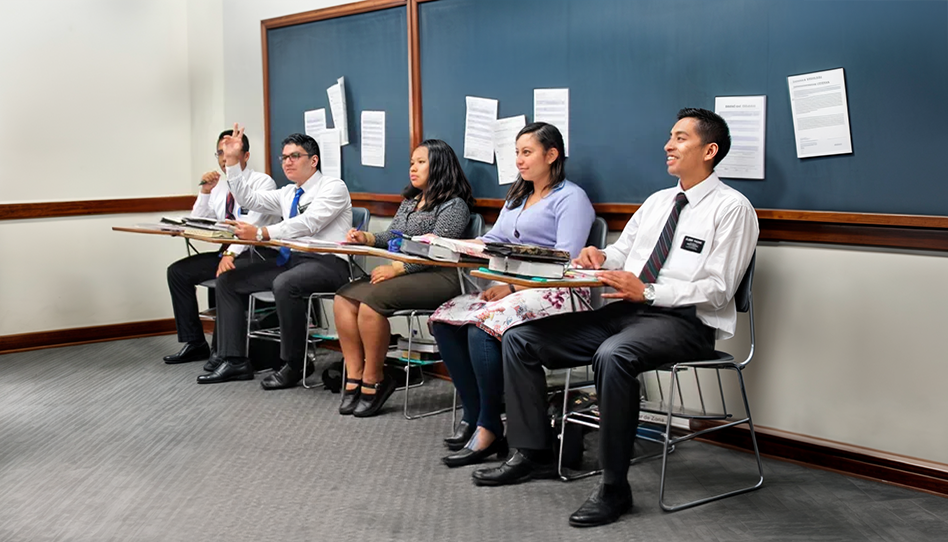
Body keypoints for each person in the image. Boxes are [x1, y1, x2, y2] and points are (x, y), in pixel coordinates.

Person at [472, 108, 759, 528]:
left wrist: (650, 292)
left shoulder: (733, 209)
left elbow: (720, 287)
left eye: (680, 138)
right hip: (627, 311)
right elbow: (623, 253)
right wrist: (599, 256)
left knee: (613, 355)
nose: (668, 145)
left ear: (709, 150)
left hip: (685, 323)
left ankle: (614, 486)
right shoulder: (658, 202)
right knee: (521, 338)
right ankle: (533, 453)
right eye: (670, 136)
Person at [429, 122, 595, 467]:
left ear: (551, 155)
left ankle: (489, 427)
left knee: (482, 326)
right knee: (445, 318)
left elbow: (564, 260)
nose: (519, 160)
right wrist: (452, 244)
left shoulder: (571, 199)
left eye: (527, 152)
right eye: (517, 152)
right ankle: (475, 415)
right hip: (513, 288)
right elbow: (494, 240)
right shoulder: (518, 196)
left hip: (556, 291)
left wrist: (513, 287)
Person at [198, 125, 353, 389]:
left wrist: (261, 233)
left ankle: (294, 364)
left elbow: (308, 223)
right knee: (229, 280)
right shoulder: (288, 192)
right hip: (293, 261)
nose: (287, 162)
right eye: (284, 157)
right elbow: (248, 198)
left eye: (295, 156)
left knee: (285, 283)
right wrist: (232, 162)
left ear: (313, 160)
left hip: (328, 263)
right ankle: (234, 359)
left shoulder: (333, 187)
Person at [334, 139, 474, 418]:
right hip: (406, 273)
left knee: (371, 304)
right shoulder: (411, 201)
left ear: (440, 166)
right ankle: (355, 375)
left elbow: (438, 249)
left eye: (421, 162)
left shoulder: (454, 205)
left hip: (440, 276)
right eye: (412, 162)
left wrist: (399, 269)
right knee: (343, 299)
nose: (413, 168)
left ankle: (376, 378)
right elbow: (393, 236)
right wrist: (366, 237)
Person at [164, 129, 279, 366]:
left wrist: (230, 254)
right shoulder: (219, 186)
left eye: (229, 152)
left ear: (245, 155)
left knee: (226, 275)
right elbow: (199, 221)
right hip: (227, 252)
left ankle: (223, 352)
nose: (224, 158)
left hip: (257, 253)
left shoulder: (262, 183)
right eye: (220, 153)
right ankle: (195, 343)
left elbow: (251, 226)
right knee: (178, 272)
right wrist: (205, 192)